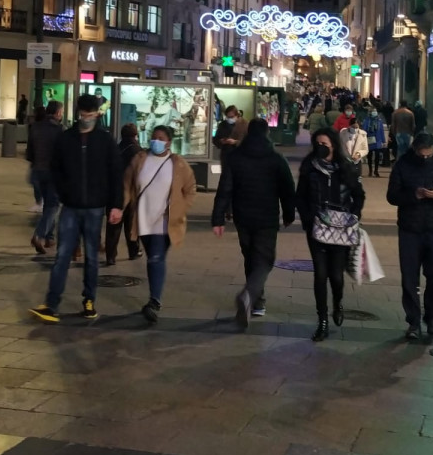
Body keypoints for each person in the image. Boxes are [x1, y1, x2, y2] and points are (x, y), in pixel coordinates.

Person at [30, 94, 123, 323]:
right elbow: (56, 169)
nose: (86, 119)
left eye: (90, 115)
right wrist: (63, 193)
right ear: (78, 113)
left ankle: (89, 301)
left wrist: (116, 206)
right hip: (71, 206)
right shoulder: (66, 139)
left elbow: (115, 175)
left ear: (97, 114)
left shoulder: (105, 140)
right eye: (83, 115)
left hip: (94, 207)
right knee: (62, 256)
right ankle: (51, 304)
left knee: (91, 257)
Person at [211, 118, 296, 328]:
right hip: (266, 217)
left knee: (250, 256)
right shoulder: (276, 158)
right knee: (265, 259)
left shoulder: (237, 157)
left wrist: (218, 218)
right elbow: (287, 188)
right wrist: (288, 213)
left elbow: (225, 189)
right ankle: (250, 295)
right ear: (267, 132)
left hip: (243, 216)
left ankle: (257, 301)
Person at [119, 125, 198, 323]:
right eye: (153, 137)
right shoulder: (140, 159)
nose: (156, 141)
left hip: (166, 222)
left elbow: (190, 189)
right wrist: (120, 207)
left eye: (160, 138)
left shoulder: (178, 164)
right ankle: (154, 297)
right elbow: (127, 185)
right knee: (152, 257)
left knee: (156, 257)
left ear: (169, 142)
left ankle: (154, 301)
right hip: (143, 219)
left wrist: (180, 209)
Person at [386, 132, 433, 341]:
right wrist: (413, 195)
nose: (425, 158)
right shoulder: (403, 165)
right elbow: (392, 196)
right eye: (421, 155)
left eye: (429, 155)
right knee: (409, 277)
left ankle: (432, 317)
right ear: (415, 150)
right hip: (409, 229)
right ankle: (413, 321)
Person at [297, 128, 365, 341]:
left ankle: (337, 302)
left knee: (336, 275)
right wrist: (308, 218)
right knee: (320, 274)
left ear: (333, 145)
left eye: (324, 143)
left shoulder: (346, 168)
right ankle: (322, 320)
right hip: (316, 228)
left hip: (341, 230)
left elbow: (358, 195)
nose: (320, 146)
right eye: (317, 143)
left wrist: (353, 215)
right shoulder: (309, 167)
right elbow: (300, 196)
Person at [27, 101, 64, 255]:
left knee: (48, 205)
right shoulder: (59, 130)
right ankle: (39, 235)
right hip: (53, 173)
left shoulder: (35, 127)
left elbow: (29, 152)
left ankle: (49, 237)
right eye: (61, 112)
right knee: (53, 206)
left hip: (37, 171)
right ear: (57, 113)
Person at [106, 123, 143, 264]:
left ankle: (110, 256)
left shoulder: (115, 149)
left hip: (114, 192)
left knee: (113, 226)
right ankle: (133, 251)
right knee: (131, 224)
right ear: (135, 135)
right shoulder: (138, 151)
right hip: (131, 193)